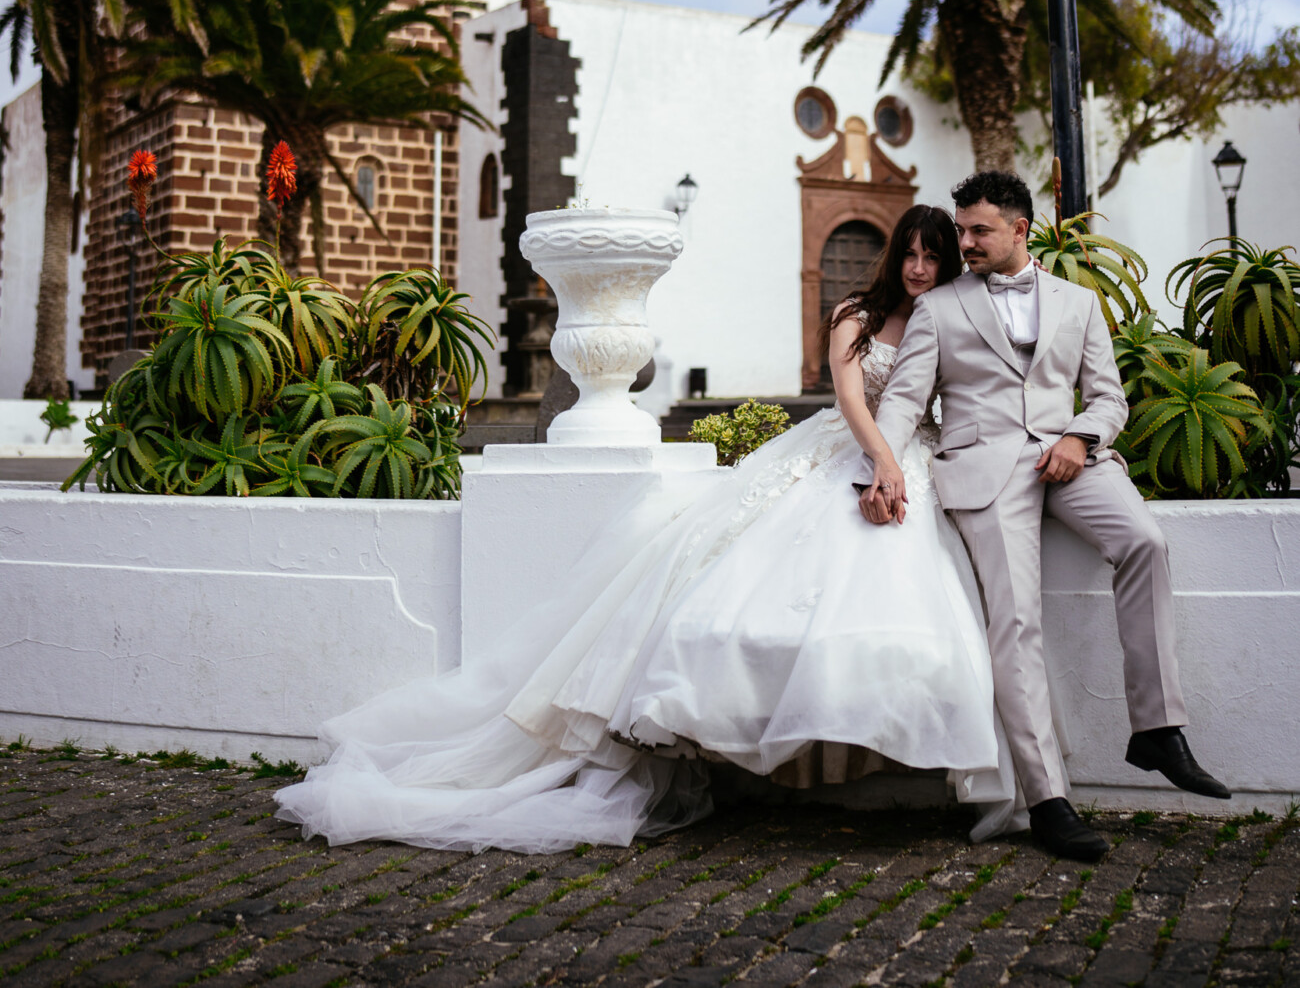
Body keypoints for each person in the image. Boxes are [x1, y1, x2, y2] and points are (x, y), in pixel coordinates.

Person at [276, 204, 1019, 853]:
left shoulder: (951, 315)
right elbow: (853, 398)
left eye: (934, 254)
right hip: (849, 450)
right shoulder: (854, 313)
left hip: (916, 458)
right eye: (912, 252)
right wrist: (881, 457)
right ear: (897, 254)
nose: (920, 266)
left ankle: (871, 765)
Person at [860, 169, 1231, 863]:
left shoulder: (1079, 302)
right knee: (1018, 620)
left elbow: (1109, 398)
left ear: (1019, 229)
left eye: (978, 231)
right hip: (986, 470)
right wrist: (879, 465)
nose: (962, 241)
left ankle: (1156, 727)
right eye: (960, 229)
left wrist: (1078, 437)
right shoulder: (940, 309)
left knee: (1145, 539)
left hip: (1072, 459)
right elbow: (903, 402)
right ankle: (1048, 800)